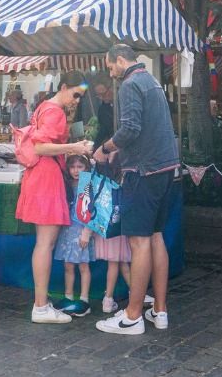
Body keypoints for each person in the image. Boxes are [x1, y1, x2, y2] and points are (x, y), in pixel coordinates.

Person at [94, 44, 179, 336]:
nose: (110, 72)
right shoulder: (153, 81)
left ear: (120, 60)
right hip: (166, 168)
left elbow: (130, 128)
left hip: (143, 171)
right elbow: (146, 130)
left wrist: (105, 148)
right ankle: (160, 310)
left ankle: (132, 317)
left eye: (109, 66)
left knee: (139, 242)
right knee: (156, 238)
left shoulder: (130, 84)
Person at [14, 72, 92, 324]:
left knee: (43, 243)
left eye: (80, 97)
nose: (77, 101)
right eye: (75, 95)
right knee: (45, 244)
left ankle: (41, 303)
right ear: (64, 87)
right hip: (46, 178)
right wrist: (75, 147)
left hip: (40, 176)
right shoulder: (55, 112)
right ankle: (40, 307)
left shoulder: (43, 107)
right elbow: (39, 147)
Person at [53, 154, 94, 317]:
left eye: (80, 167)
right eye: (72, 167)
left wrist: (87, 232)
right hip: (68, 228)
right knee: (68, 264)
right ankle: (68, 296)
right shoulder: (67, 183)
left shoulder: (87, 184)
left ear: (86, 168)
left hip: (81, 230)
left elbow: (91, 209)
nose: (76, 171)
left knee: (83, 265)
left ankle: (84, 300)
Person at [92, 81, 115, 148]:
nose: (101, 98)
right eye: (98, 95)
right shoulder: (102, 109)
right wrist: (95, 147)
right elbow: (103, 130)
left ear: (111, 88)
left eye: (103, 94)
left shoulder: (122, 103)